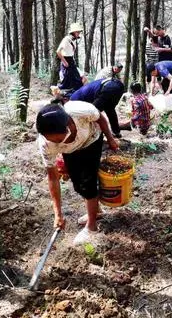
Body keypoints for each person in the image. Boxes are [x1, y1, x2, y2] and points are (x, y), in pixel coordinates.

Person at [36, 102, 119, 245]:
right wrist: (58, 214)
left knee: (88, 182)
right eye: (50, 139)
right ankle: (96, 211)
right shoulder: (45, 144)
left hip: (91, 140)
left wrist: (110, 139)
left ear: (68, 125)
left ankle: (91, 227)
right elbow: (53, 178)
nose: (54, 143)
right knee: (77, 184)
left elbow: (100, 118)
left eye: (57, 139)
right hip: (71, 151)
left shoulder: (80, 111)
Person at [57, 23, 85, 95]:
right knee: (67, 82)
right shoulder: (66, 39)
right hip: (66, 61)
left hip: (71, 61)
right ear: (74, 32)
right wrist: (65, 62)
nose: (79, 34)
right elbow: (58, 51)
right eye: (78, 32)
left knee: (78, 81)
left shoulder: (73, 40)